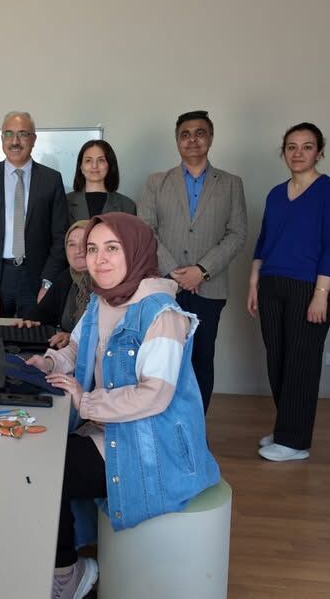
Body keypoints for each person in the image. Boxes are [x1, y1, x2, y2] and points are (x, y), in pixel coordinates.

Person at [26, 212, 220, 599]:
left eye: (112, 248)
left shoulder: (163, 314)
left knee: (46, 471)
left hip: (152, 444)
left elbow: (155, 394)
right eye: (92, 249)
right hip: (111, 427)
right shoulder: (101, 302)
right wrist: (48, 362)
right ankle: (62, 560)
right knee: (38, 454)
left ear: (136, 250)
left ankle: (68, 573)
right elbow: (76, 349)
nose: (99, 260)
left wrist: (86, 401)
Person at [248, 122, 330, 461]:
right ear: (283, 152)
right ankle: (287, 428)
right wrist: (253, 284)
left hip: (310, 288)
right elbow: (263, 242)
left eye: (307, 146)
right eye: (291, 146)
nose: (298, 153)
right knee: (277, 360)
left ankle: (295, 442)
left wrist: (321, 294)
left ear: (319, 152)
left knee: (301, 364)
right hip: (271, 284)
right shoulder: (276, 194)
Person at [137, 110, 247, 414]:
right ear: (177, 141)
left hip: (209, 289)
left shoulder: (231, 183)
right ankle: (163, 423)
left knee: (201, 359)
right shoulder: (157, 182)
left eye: (200, 133)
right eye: (185, 134)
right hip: (165, 287)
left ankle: (195, 426)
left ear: (210, 138)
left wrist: (201, 271)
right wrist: (174, 272)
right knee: (162, 359)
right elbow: (146, 229)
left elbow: (237, 233)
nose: (192, 140)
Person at [0, 111, 69, 317]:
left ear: (34, 139)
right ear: (2, 138)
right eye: (9, 134)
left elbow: (60, 236)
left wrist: (48, 282)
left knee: (34, 333)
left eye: (23, 134)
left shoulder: (51, 180)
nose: (15, 141)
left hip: (36, 278)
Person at [21, 220, 93, 349]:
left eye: (85, 243)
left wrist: (73, 338)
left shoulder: (107, 284)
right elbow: (40, 314)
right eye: (72, 245)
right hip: (64, 354)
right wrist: (29, 323)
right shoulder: (66, 278)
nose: (78, 250)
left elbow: (106, 336)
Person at [65, 139, 136, 223]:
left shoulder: (127, 205)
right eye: (88, 160)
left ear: (110, 165)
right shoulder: (64, 202)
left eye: (101, 160)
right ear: (81, 167)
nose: (94, 166)